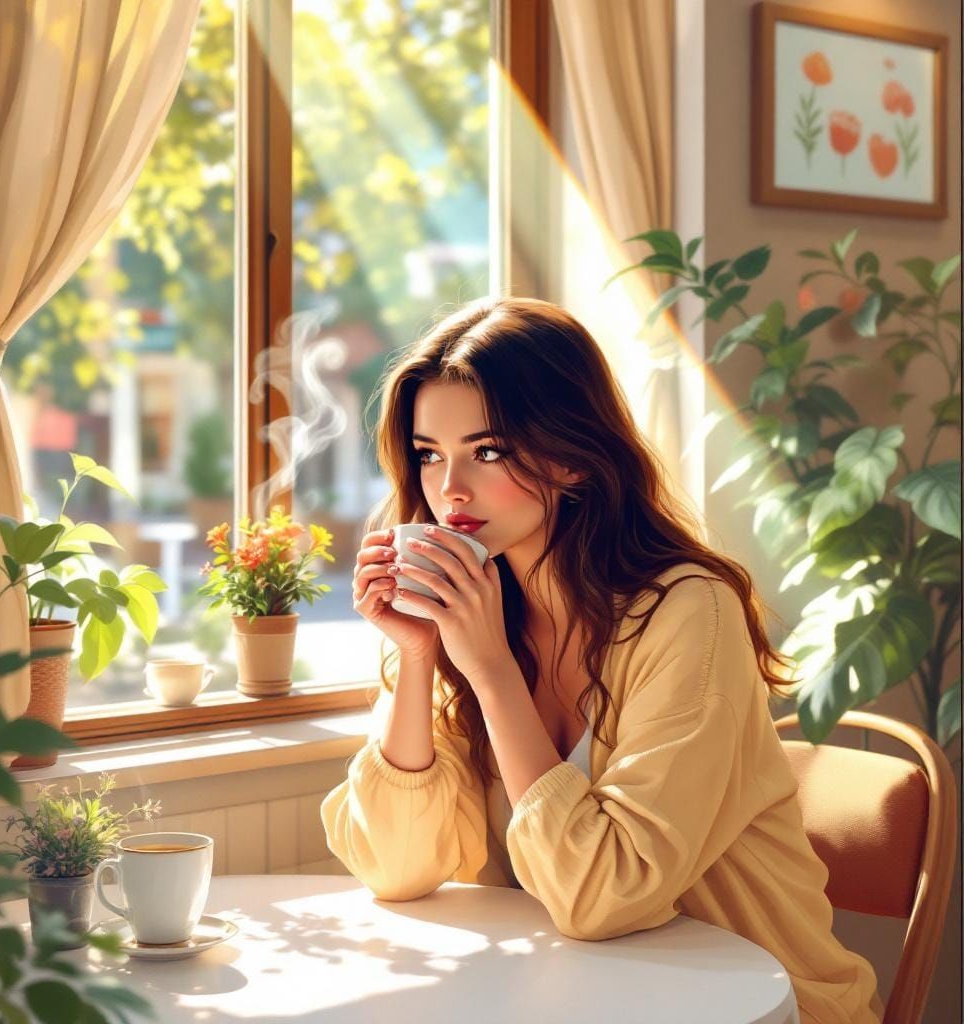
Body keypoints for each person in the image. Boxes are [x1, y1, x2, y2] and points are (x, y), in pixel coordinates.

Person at [321, 296, 882, 1024]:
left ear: (572, 457)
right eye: (430, 454)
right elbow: (393, 868)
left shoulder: (687, 612)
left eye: (488, 452)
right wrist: (420, 655)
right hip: (569, 1000)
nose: (449, 488)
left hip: (757, 1008)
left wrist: (492, 672)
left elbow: (602, 896)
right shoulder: (470, 615)